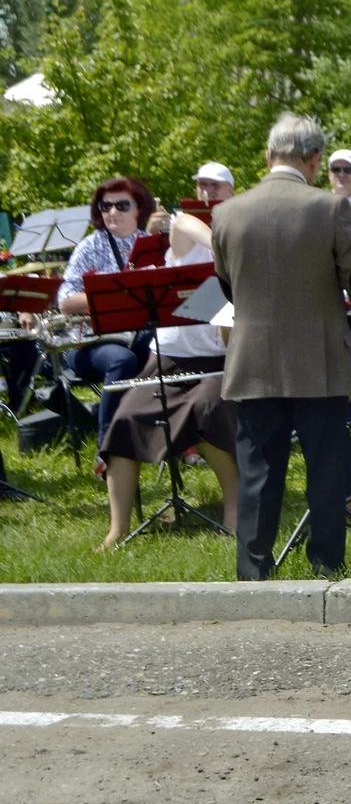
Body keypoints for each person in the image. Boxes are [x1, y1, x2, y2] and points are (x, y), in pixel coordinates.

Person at [211, 112, 351, 580]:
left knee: (257, 473)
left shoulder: (226, 213)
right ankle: (325, 565)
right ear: (314, 159)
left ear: (268, 156)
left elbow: (227, 288)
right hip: (317, 361)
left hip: (252, 360)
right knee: (326, 470)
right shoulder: (330, 207)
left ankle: (253, 572)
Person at [98, 211, 239, 550]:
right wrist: (220, 250)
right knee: (125, 418)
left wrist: (228, 302)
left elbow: (232, 344)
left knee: (210, 409)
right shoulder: (192, 251)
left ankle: (235, 510)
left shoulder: (247, 272)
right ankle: (118, 528)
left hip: (218, 365)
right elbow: (181, 222)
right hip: (165, 362)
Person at [56, 177, 172, 467]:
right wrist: (113, 295)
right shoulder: (88, 246)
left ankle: (173, 438)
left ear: (139, 209)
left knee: (170, 349)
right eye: (105, 206)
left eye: (122, 205)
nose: (112, 212)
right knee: (121, 360)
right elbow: (65, 301)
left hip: (138, 336)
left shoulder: (152, 246)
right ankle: (108, 450)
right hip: (89, 343)